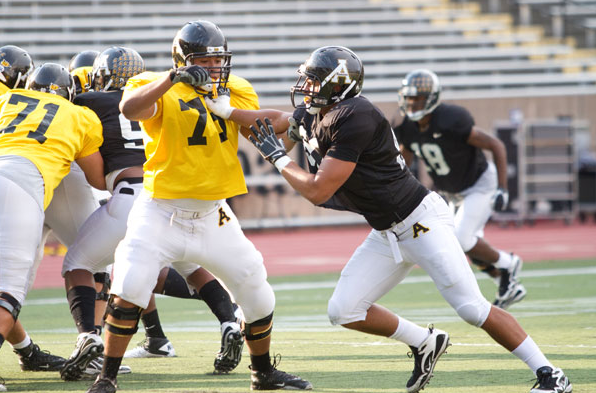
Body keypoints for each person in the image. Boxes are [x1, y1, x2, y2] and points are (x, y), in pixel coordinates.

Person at [204, 45, 573, 393]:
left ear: (336, 84)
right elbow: (279, 121)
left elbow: (317, 190)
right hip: (387, 230)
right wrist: (227, 112)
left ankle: (551, 375)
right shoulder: (319, 111)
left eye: (314, 80)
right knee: (344, 310)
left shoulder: (355, 117)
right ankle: (424, 341)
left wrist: (279, 159)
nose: (306, 87)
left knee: (472, 308)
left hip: (420, 221)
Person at [83, 22, 311, 393]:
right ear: (183, 60)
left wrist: (240, 113)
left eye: (219, 58)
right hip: (159, 209)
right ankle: (106, 377)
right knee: (129, 284)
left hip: (213, 213)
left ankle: (263, 373)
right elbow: (130, 108)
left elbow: (264, 126)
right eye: (206, 59)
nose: (215, 66)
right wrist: (173, 79)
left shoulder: (235, 89)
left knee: (256, 289)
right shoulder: (155, 82)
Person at [61, 46, 244, 380]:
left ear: (103, 76)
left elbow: (97, 176)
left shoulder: (88, 103)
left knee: (79, 264)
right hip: (171, 194)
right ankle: (229, 320)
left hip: (132, 196)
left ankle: (88, 336)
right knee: (189, 265)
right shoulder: (164, 96)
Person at [0, 62, 105, 390]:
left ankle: (27, 351)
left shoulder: (6, 100)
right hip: (20, 187)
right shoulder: (80, 115)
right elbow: (97, 176)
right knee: (9, 292)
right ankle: (91, 338)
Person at [392, 69, 526, 309]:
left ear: (432, 99)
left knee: (461, 240)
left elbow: (496, 145)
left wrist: (503, 188)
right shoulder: (406, 127)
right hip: (450, 192)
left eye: (418, 99)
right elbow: (403, 164)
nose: (412, 104)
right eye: (409, 98)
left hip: (479, 184)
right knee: (456, 242)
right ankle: (507, 282)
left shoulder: (452, 119)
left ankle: (509, 262)